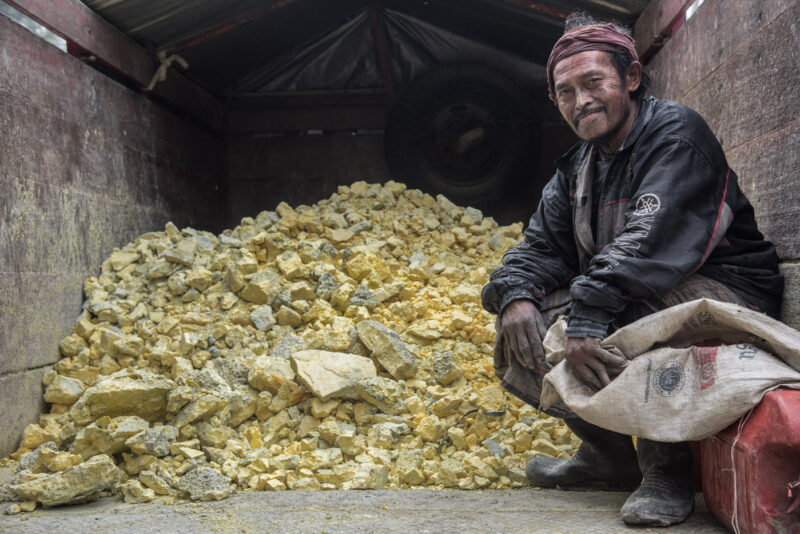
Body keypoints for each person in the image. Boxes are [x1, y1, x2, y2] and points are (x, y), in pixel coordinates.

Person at [481, 12, 783, 527]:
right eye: (566, 92)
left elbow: (650, 242)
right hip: (638, 289)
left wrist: (588, 316)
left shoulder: (675, 135)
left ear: (631, 78)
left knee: (623, 319)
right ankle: (610, 455)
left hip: (728, 292)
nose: (581, 101)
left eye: (593, 82)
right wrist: (514, 295)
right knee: (523, 325)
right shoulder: (577, 168)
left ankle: (666, 470)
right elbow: (540, 248)